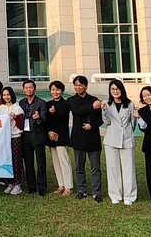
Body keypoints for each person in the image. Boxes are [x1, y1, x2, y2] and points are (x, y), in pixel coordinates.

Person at [68, 75, 104, 203]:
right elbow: (77, 111)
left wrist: (92, 125)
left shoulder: (95, 100)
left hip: (93, 137)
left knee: (95, 167)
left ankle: (96, 192)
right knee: (79, 166)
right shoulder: (71, 100)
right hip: (78, 137)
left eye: (81, 85)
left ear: (86, 86)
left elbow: (101, 119)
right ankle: (82, 190)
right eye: (76, 85)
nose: (78, 87)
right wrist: (92, 107)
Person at [102, 79, 138, 205]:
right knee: (113, 169)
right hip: (111, 139)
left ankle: (130, 196)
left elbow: (133, 123)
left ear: (122, 90)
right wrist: (105, 112)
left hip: (126, 139)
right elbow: (107, 122)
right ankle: (115, 194)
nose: (115, 91)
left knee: (129, 169)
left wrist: (127, 133)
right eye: (112, 89)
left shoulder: (130, 104)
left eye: (117, 89)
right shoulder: (106, 104)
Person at [18, 79, 48, 196]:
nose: (29, 90)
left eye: (31, 87)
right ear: (23, 89)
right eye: (26, 88)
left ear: (34, 89)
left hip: (37, 135)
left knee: (41, 162)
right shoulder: (21, 103)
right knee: (28, 162)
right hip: (25, 135)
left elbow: (45, 120)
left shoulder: (41, 103)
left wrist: (38, 118)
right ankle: (31, 186)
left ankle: (42, 187)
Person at [46, 80, 73, 196]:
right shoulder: (48, 104)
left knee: (64, 161)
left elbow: (62, 118)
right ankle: (61, 185)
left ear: (62, 91)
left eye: (57, 90)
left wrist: (54, 113)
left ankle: (69, 186)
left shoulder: (65, 104)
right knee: (56, 162)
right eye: (53, 90)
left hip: (61, 136)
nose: (55, 92)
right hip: (51, 136)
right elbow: (46, 121)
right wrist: (49, 132)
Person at [0, 86, 25, 195]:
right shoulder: (0, 108)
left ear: (12, 95)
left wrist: (15, 118)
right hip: (4, 138)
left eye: (8, 95)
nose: (6, 97)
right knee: (7, 160)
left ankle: (18, 184)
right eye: (4, 95)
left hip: (15, 137)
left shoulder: (17, 108)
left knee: (16, 160)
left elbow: (21, 125)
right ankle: (10, 183)